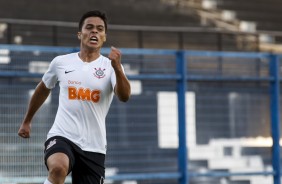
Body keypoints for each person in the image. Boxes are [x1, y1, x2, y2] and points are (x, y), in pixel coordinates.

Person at [18, 10, 131, 184]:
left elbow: (124, 96)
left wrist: (117, 67)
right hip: (62, 135)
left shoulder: (111, 67)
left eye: (100, 29)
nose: (94, 32)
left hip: (94, 146)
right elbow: (43, 88)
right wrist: (27, 120)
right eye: (90, 28)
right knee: (58, 168)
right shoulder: (61, 62)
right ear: (80, 34)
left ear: (104, 37)